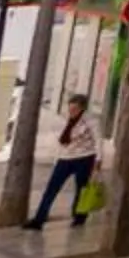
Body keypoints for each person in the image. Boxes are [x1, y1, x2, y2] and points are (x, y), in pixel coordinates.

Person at [27, 93, 100, 230]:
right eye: (70, 109)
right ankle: (39, 219)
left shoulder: (90, 121)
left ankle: (79, 217)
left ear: (82, 109)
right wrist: (57, 158)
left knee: (81, 189)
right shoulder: (65, 120)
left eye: (75, 109)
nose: (71, 112)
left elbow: (98, 141)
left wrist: (98, 160)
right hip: (65, 158)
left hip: (84, 158)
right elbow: (60, 141)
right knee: (51, 189)